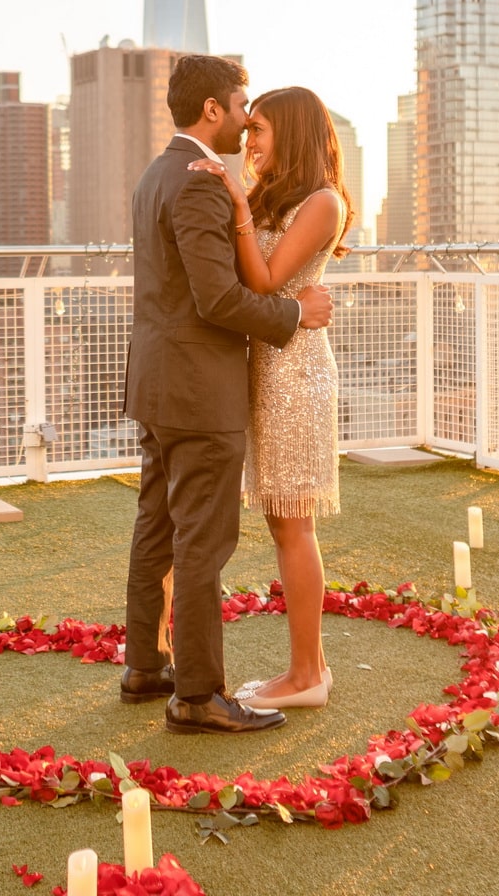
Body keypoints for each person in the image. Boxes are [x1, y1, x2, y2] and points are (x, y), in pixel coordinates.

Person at [120, 55, 335, 735]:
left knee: (156, 528)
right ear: (212, 109)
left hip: (157, 384)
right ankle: (197, 694)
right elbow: (218, 298)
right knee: (200, 544)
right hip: (198, 391)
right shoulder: (202, 183)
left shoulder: (158, 174)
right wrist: (297, 315)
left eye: (259, 118)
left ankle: (146, 668)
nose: (246, 125)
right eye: (242, 108)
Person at [185, 85, 351, 710]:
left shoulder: (322, 200)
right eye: (247, 127)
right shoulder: (275, 193)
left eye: (259, 128)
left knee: (292, 524)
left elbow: (264, 279)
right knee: (284, 523)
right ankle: (312, 669)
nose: (248, 140)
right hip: (269, 366)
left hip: (295, 374)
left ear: (295, 131)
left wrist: (236, 203)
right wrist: (241, 201)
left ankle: (307, 677)